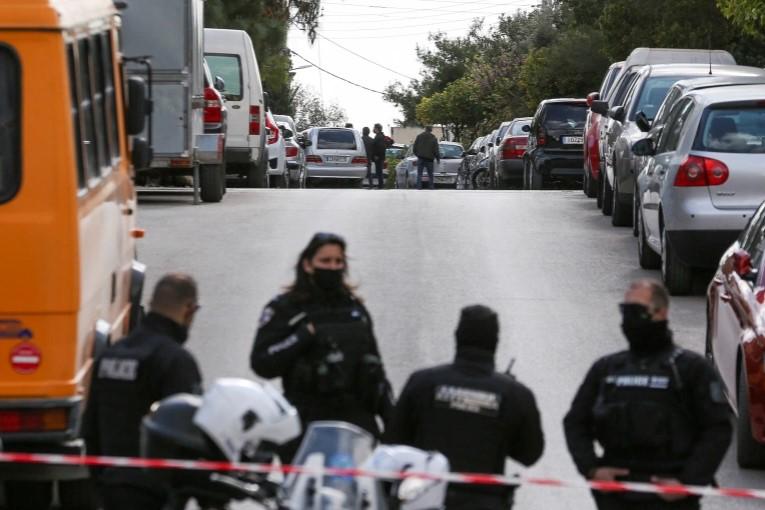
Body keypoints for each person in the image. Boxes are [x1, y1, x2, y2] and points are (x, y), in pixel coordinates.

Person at [563, 279, 733, 510]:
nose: (629, 320)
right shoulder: (607, 369)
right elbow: (575, 422)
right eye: (625, 311)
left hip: (672, 498)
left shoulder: (691, 369)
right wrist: (592, 469)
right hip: (616, 497)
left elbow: (718, 430)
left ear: (661, 312)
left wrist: (688, 482)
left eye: (636, 312)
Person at [250, 232, 394, 460]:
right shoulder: (286, 309)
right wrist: (301, 337)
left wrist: (391, 421)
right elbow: (262, 363)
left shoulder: (355, 310)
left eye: (338, 262)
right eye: (325, 261)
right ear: (308, 265)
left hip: (355, 425)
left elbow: (376, 369)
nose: (333, 267)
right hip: (306, 423)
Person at [386, 305, 544, 510]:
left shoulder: (422, 382)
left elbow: (394, 440)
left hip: (424, 497)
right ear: (495, 342)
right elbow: (530, 454)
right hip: (485, 501)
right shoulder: (515, 394)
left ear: (457, 337)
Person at [83, 273, 203, 510]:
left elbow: (90, 428)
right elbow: (192, 434)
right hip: (155, 494)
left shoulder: (111, 354)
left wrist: (102, 483)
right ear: (189, 309)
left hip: (111, 487)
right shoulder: (175, 360)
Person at [412, 125, 440, 190]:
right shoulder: (433, 138)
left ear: (425, 129)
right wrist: (438, 158)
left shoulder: (419, 136)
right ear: (431, 130)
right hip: (429, 159)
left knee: (419, 174)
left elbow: (414, 148)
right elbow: (436, 149)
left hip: (421, 158)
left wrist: (418, 155)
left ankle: (419, 187)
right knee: (430, 174)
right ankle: (431, 187)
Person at [371, 123, 387, 189]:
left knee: (379, 171)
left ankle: (381, 185)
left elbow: (380, 147)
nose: (373, 129)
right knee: (379, 171)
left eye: (374, 128)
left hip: (379, 157)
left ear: (377, 128)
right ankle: (380, 185)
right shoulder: (380, 136)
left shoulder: (379, 136)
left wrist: (376, 155)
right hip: (380, 157)